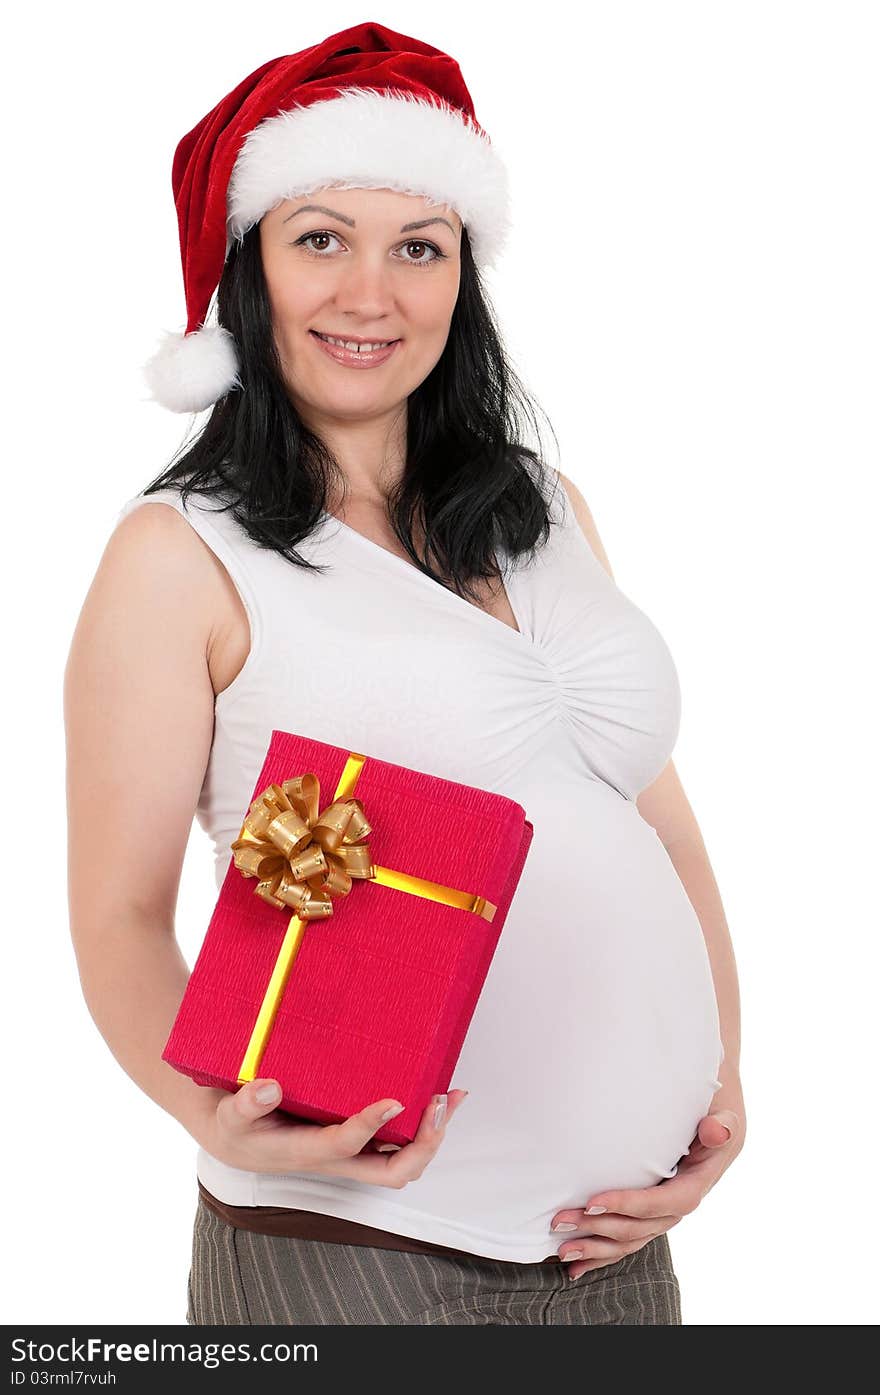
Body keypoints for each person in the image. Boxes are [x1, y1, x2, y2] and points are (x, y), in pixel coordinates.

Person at [64, 21, 746, 1326]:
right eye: (320, 237)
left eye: (417, 248)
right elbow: (120, 918)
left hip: (617, 1247)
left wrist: (723, 1090)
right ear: (251, 273)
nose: (370, 295)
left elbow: (659, 826)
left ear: (460, 278)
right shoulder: (178, 554)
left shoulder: (545, 506)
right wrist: (220, 1116)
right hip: (358, 1251)